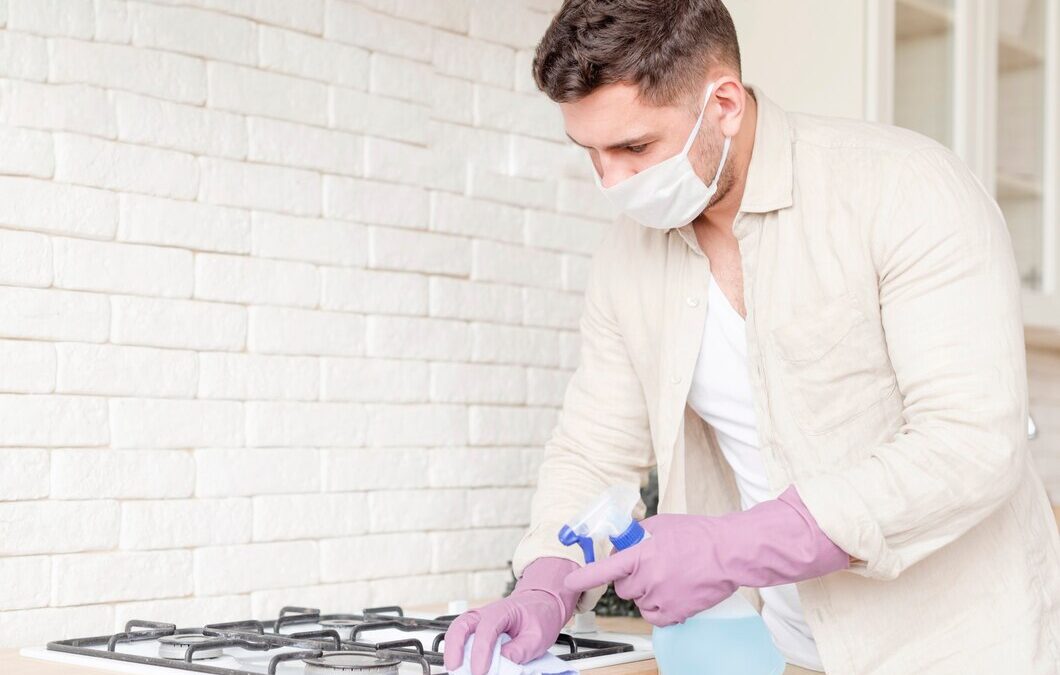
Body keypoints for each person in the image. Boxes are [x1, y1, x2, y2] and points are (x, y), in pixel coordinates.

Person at [443, 1, 1060, 674]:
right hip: (790, 654)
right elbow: (594, 450)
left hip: (963, 651)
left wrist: (726, 548)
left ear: (725, 104)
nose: (611, 183)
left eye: (634, 147)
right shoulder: (629, 256)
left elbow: (970, 444)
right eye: (590, 153)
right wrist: (544, 583)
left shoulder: (905, 188)